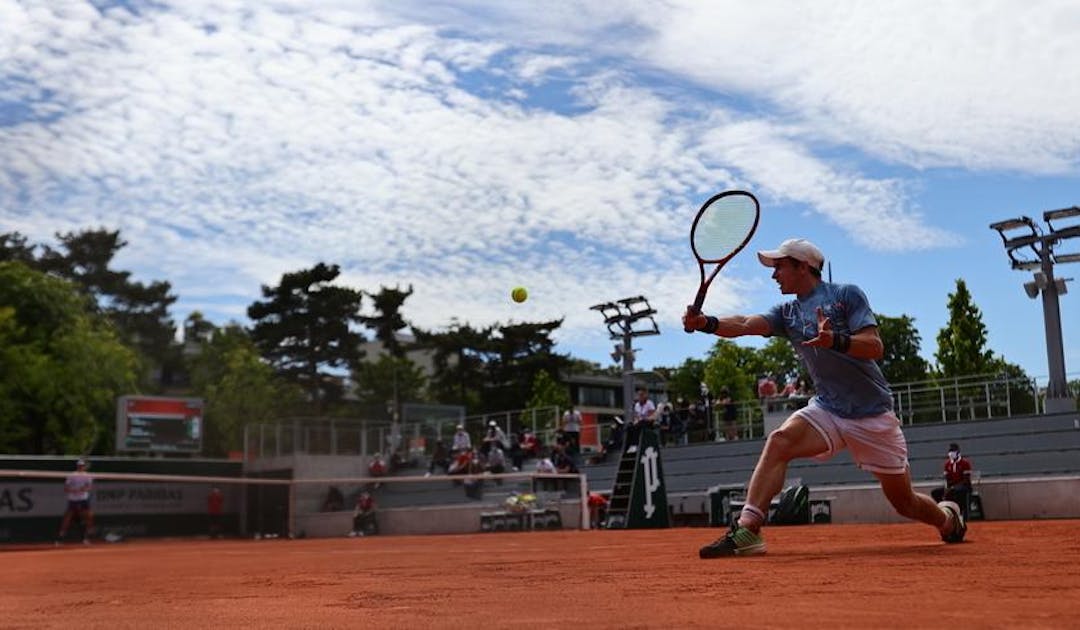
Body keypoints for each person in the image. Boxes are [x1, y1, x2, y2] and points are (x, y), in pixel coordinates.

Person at [683, 237, 966, 558]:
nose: (774, 276)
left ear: (803, 267)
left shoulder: (846, 295)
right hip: (828, 409)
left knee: (904, 503)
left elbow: (874, 346)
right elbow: (746, 324)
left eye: (779, 267)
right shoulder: (786, 313)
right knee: (779, 441)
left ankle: (947, 519)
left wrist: (836, 340)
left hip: (872, 414)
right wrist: (706, 323)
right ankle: (748, 529)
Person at [56, 459, 94, 545]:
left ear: (84, 466)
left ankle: (86, 537)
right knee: (67, 518)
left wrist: (83, 489)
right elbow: (66, 488)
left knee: (89, 517)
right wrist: (73, 490)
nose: (80, 467)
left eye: (82, 465)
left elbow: (89, 487)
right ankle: (60, 538)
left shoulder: (88, 476)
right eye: (79, 465)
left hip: (84, 499)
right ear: (77, 466)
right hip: (73, 500)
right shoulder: (71, 475)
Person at [931, 443, 973, 518]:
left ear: (958, 452)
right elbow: (948, 479)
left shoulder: (965, 463)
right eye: (950, 451)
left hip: (964, 486)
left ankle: (961, 513)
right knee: (935, 492)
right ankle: (944, 510)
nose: (951, 453)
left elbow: (966, 480)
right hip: (952, 487)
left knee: (956, 491)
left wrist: (954, 487)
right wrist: (948, 487)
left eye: (953, 451)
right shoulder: (947, 464)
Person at [626, 387, 656, 453]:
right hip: (640, 421)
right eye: (639, 395)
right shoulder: (637, 405)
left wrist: (643, 418)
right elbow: (636, 415)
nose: (640, 397)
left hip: (648, 422)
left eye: (642, 395)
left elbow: (651, 415)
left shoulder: (649, 403)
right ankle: (628, 445)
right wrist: (636, 420)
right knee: (629, 427)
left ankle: (635, 444)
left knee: (639, 425)